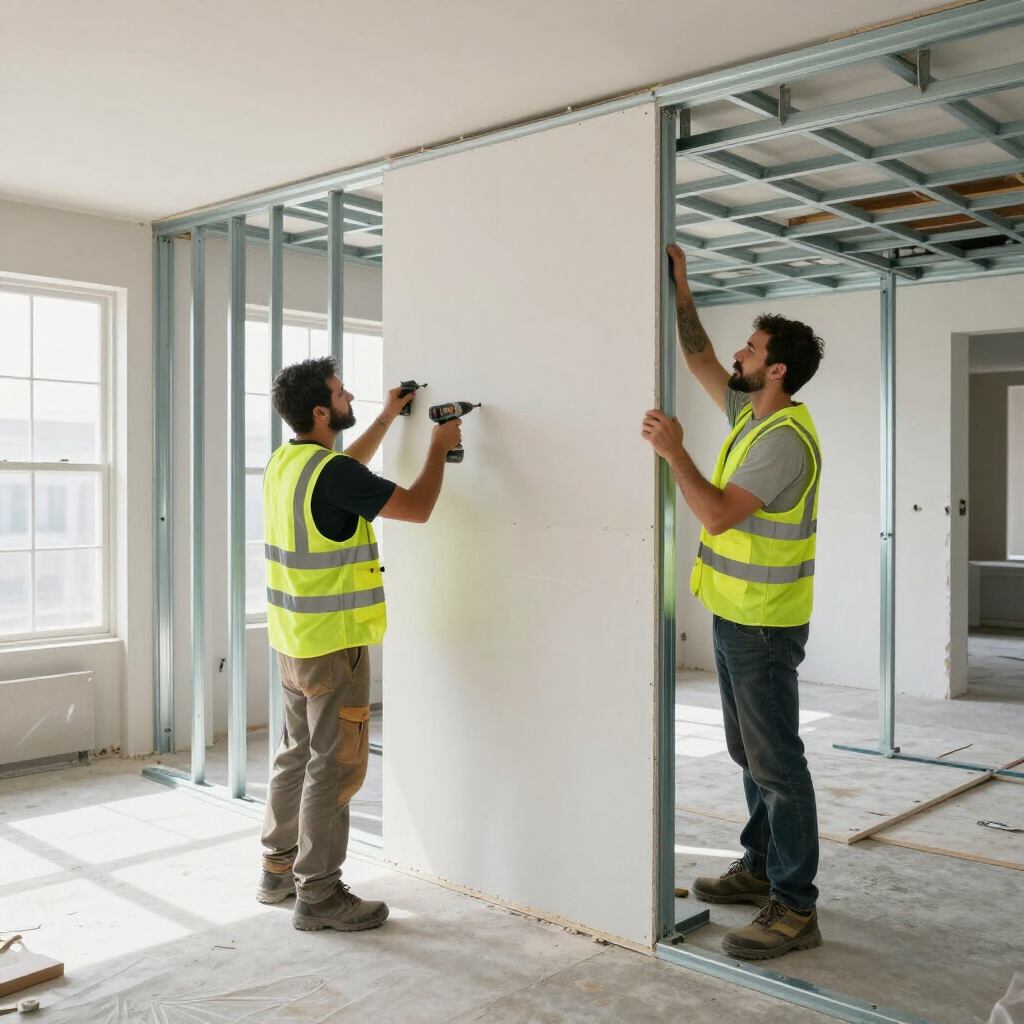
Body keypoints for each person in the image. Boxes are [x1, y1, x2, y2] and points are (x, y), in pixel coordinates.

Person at [641, 244, 825, 961]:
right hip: (735, 614)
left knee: (777, 764)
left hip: (764, 625)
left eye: (751, 349)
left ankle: (795, 906)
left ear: (776, 370)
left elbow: (717, 515)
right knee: (749, 753)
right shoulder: (752, 413)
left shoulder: (781, 440)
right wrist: (682, 287)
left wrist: (674, 451)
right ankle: (759, 867)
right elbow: (699, 357)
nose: (738, 356)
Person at [256, 356, 461, 932]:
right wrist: (439, 448)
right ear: (322, 412)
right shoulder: (333, 473)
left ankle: (276, 870)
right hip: (335, 645)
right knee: (335, 766)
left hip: (293, 640)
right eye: (342, 393)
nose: (350, 398)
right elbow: (416, 508)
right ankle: (319, 894)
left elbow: (345, 471)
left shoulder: (286, 462)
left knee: (295, 754)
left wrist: (388, 417)